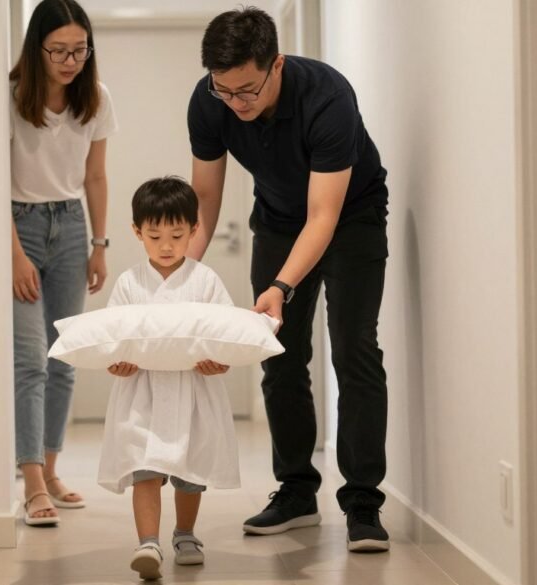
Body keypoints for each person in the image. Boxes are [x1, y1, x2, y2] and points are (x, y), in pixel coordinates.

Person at [186, 7, 391, 552]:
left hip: (351, 218)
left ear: (276, 65)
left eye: (248, 90)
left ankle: (364, 503)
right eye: (224, 91)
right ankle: (297, 492)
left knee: (354, 350)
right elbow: (206, 198)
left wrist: (279, 287)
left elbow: (323, 216)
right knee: (277, 352)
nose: (237, 103)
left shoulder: (327, 97)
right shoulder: (209, 101)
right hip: (277, 218)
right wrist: (183, 270)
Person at [97, 177, 240, 580]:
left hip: (193, 390)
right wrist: (117, 361)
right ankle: (148, 543)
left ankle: (186, 533)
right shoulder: (129, 283)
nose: (165, 246)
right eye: (154, 235)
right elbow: (113, 336)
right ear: (136, 232)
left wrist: (220, 361)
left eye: (177, 235)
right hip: (141, 392)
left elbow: (225, 333)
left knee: (189, 471)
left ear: (195, 229)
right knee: (145, 466)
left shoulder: (206, 281)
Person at [9, 0, 117, 527]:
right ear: (37, 48)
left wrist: (100, 242)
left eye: (79, 50)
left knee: (64, 357)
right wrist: (14, 255)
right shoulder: (8, 98)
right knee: (30, 359)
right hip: (19, 223)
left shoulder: (95, 99)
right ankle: (31, 483)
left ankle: (51, 469)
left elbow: (95, 176)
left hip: (72, 226)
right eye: (59, 51)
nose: (70, 60)